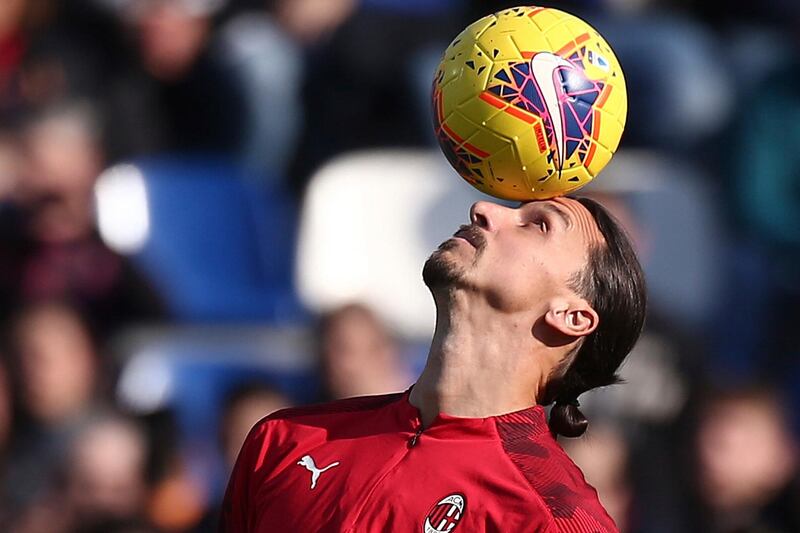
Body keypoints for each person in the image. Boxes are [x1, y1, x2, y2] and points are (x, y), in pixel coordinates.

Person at [220, 197, 646, 531]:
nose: (483, 209)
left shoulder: (554, 520)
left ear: (572, 316)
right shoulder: (282, 441)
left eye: (538, 224)